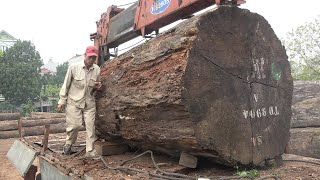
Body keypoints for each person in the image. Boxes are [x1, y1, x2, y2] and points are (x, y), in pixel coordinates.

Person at [57, 46, 102, 158]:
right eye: (90, 57)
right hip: (74, 102)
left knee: (90, 127)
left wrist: (98, 86)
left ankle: (90, 150)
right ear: (85, 56)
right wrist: (62, 100)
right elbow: (66, 84)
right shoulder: (73, 68)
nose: (91, 60)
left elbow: (97, 83)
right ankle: (69, 143)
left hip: (89, 102)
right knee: (75, 125)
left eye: (94, 58)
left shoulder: (96, 69)